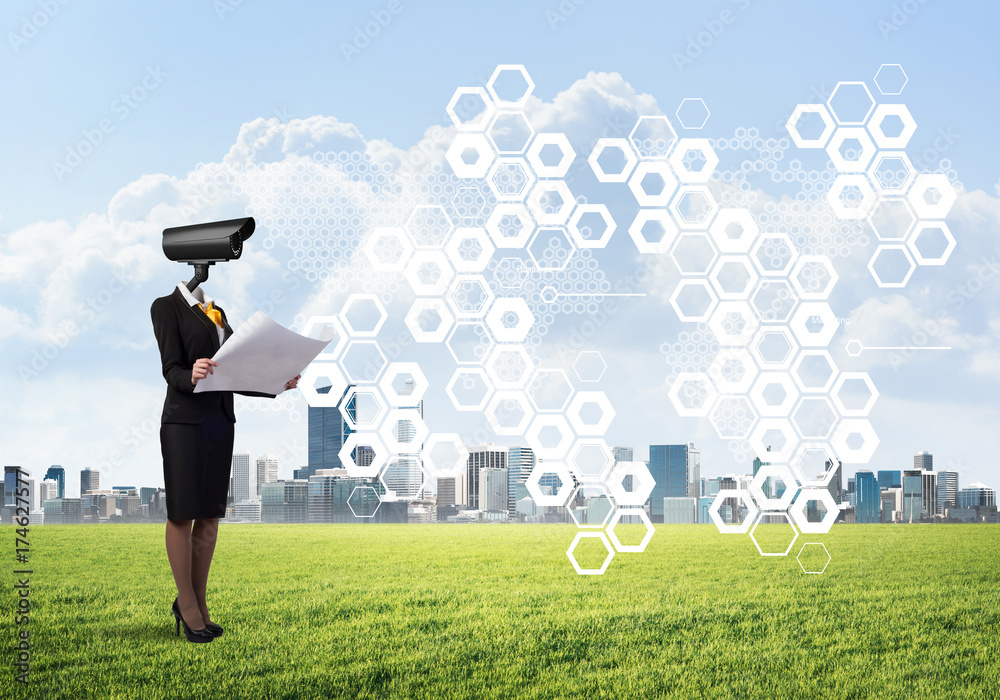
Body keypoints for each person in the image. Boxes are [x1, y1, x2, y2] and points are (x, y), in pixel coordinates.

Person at [150, 280, 299, 643]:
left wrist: (277, 384)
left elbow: (234, 372)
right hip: (184, 423)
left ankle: (200, 602)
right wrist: (190, 373)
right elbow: (170, 368)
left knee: (210, 517)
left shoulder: (218, 313)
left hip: (220, 422)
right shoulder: (165, 306)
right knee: (182, 514)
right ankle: (185, 604)